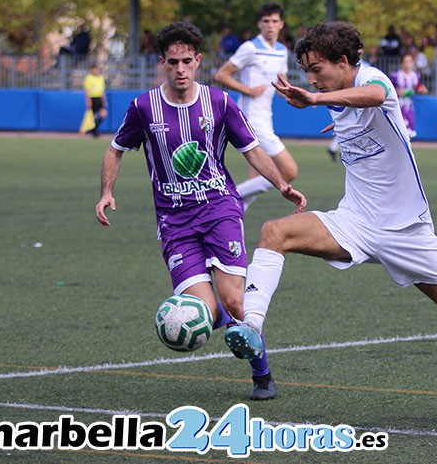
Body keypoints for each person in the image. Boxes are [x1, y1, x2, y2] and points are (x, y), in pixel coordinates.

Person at [224, 21, 437, 421]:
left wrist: (313, 98)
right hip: (354, 222)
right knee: (274, 232)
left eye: (316, 69)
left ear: (343, 62)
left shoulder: (371, 79)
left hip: (406, 232)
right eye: (307, 71)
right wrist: (331, 107)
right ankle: (253, 328)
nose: (310, 78)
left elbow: (378, 94)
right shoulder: (336, 97)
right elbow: (354, 110)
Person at [94, 21, 306, 400]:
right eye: (172, 61)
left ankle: (262, 375)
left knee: (236, 299)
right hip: (174, 222)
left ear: (198, 61)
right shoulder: (143, 107)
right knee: (202, 313)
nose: (179, 69)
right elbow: (115, 148)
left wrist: (282, 185)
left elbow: (252, 149)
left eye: (186, 61)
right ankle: (226, 321)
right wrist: (106, 192)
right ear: (162, 62)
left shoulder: (220, 103)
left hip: (220, 209)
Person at [214, 3, 299, 211]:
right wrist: (248, 90)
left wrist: (301, 98)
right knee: (289, 171)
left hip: (265, 118)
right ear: (259, 24)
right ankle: (227, 199)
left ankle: (234, 215)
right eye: (266, 21)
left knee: (257, 178)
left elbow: (281, 87)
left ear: (282, 25)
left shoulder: (281, 51)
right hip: (251, 119)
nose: (270, 26)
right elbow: (221, 75)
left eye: (274, 21)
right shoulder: (250, 47)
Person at [391, 53, 427, 138]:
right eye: (405, 62)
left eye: (409, 62)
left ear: (413, 63)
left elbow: (419, 87)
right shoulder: (396, 76)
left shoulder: (415, 76)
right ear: (401, 63)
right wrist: (397, 92)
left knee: (409, 131)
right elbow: (389, 89)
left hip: (409, 106)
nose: (407, 64)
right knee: (400, 128)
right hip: (399, 105)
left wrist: (422, 89)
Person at [82, 63, 107, 138]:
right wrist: (88, 101)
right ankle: (94, 131)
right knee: (93, 116)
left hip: (99, 98)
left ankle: (94, 129)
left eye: (97, 69)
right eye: (95, 69)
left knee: (104, 114)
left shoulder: (101, 78)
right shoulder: (88, 78)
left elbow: (102, 90)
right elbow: (87, 91)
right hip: (92, 98)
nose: (96, 71)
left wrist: (104, 100)